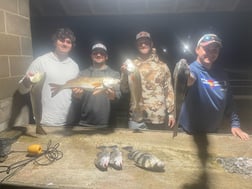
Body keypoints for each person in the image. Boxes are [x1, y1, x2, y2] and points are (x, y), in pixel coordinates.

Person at [179, 33, 249, 140]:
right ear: (197, 50)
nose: (211, 53)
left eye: (215, 50)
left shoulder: (221, 74)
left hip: (213, 132)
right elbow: (187, 80)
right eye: (206, 49)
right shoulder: (192, 70)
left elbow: (229, 101)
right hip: (189, 133)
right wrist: (186, 77)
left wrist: (235, 124)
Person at [18, 28, 79, 126]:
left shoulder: (74, 66)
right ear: (55, 42)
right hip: (44, 122)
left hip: (68, 122)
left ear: (71, 46)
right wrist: (27, 82)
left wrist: (78, 94)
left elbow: (74, 93)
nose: (65, 44)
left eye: (68, 42)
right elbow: (22, 90)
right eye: (61, 40)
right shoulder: (41, 61)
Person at [120, 31, 175, 130]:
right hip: (136, 118)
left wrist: (171, 113)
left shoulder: (162, 66)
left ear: (151, 44)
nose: (143, 44)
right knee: (135, 146)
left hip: (158, 117)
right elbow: (124, 90)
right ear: (136, 45)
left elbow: (169, 91)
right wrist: (124, 74)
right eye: (140, 43)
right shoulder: (131, 65)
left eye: (146, 42)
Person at [72, 42, 121, 127]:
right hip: (84, 122)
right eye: (95, 53)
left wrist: (114, 97)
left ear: (106, 57)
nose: (98, 55)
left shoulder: (114, 74)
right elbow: (76, 100)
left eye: (102, 53)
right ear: (91, 56)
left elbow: (118, 95)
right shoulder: (82, 74)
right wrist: (76, 96)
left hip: (107, 123)